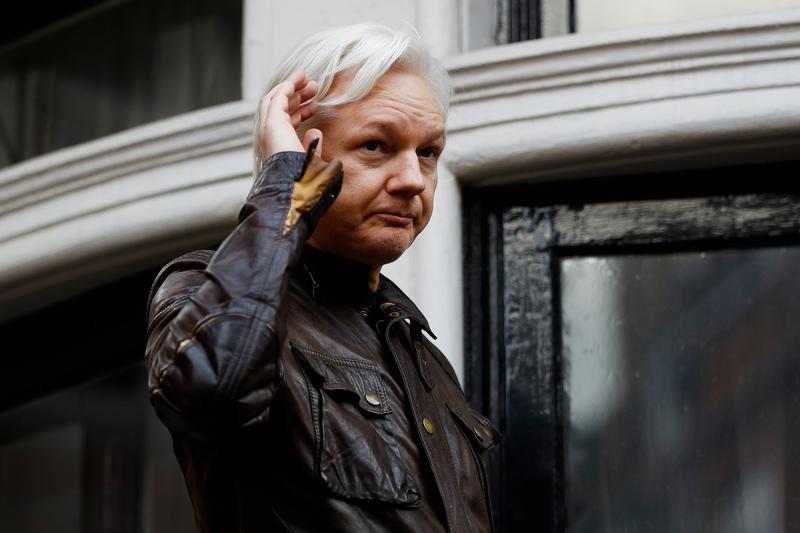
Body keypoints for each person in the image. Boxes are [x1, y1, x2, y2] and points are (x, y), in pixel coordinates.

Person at [144, 23, 500, 533]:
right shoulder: (205, 288)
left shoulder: (421, 356)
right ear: (304, 153)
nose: (412, 181)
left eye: (427, 153)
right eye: (376, 145)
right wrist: (286, 183)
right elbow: (209, 388)